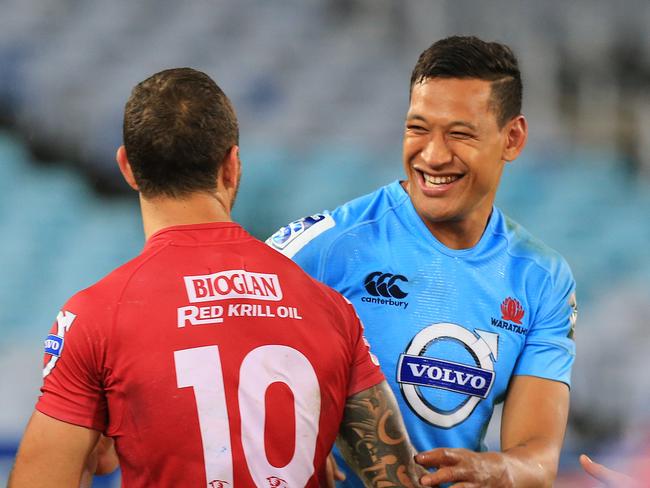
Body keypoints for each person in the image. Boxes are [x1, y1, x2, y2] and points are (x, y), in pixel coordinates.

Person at [9, 68, 426, 488]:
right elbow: (397, 478)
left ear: (128, 168)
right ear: (232, 166)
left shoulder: (96, 317)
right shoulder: (329, 307)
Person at [267, 36, 577, 487]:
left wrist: (497, 468)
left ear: (512, 138)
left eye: (460, 133)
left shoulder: (542, 278)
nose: (433, 155)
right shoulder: (328, 247)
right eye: (418, 129)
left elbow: (537, 457)